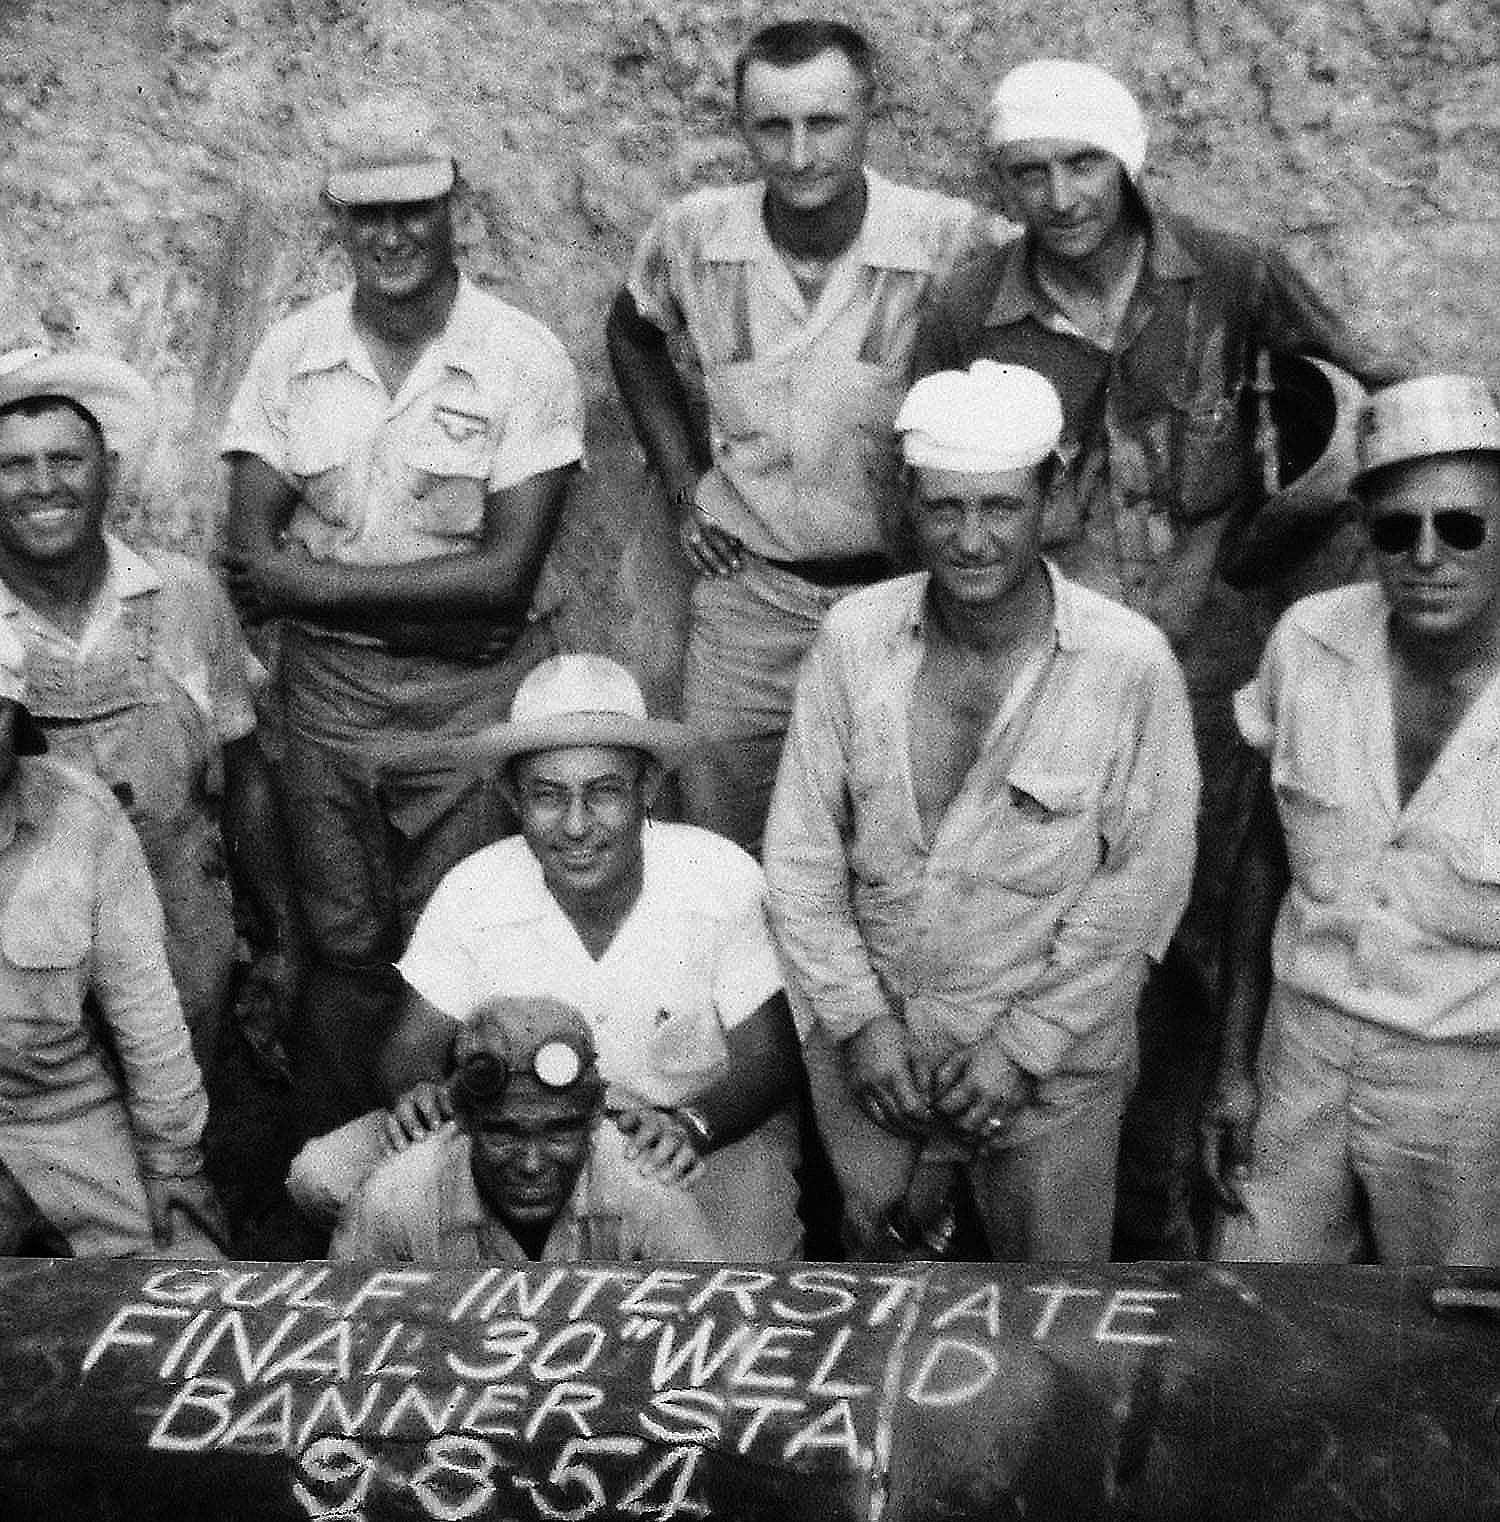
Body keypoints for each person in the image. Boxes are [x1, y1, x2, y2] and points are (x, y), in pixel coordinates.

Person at [914, 59, 1402, 1258]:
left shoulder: (1229, 273)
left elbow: (1368, 385)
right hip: (1059, 682)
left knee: (1195, 938)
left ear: (1128, 164)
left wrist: (1327, 516)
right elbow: (932, 504)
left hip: (1212, 677)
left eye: (1083, 164)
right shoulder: (970, 304)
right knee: (1066, 933)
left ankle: (1182, 1201)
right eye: (1028, 172)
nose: (1061, 194)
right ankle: (1060, 1210)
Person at [763, 361, 1198, 1260]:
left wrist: (1020, 1050)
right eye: (943, 508)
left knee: (1051, 1331)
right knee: (887, 1321)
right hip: (878, 1075)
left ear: (1053, 495)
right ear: (908, 505)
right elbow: (801, 857)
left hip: (1046, 1084)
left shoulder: (1128, 665)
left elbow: (1142, 890)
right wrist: (862, 1025)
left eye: (999, 507)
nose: (970, 540)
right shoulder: (853, 641)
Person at [220, 95, 584, 1137]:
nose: (388, 236)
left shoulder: (520, 355)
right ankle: (359, 1183)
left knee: (468, 937)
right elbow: (250, 559)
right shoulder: (293, 354)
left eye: (412, 210)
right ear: (335, 218)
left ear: (451, 205)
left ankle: (485, 1173)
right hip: (330, 703)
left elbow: (505, 586)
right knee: (344, 950)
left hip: (470, 700)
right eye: (363, 214)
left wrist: (316, 588)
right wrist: (433, 602)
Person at [291, 653, 803, 1259]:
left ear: (648, 788)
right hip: (518, 1130)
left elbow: (769, 1055)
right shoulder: (474, 887)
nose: (577, 825)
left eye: (604, 792)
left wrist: (693, 1125)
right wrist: (421, 1094)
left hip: (687, 1135)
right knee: (320, 1176)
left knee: (741, 1283)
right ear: (512, 797)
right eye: (549, 796)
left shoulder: (717, 874)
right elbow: (406, 1052)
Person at [607, 18, 977, 855]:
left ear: (869, 115)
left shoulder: (950, 242)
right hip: (751, 604)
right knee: (726, 843)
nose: (800, 154)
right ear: (742, 128)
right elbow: (632, 335)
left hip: (901, 603)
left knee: (895, 843)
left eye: (825, 123)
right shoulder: (695, 237)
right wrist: (681, 483)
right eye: (773, 126)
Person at [1201, 375, 1500, 1266]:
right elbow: (1262, 863)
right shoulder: (1309, 642)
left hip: (1468, 1087)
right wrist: (1231, 1070)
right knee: (1252, 1318)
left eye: (1463, 526)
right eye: (1395, 530)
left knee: (1456, 1353)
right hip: (1304, 1057)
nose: (1427, 555)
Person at [0, 348, 304, 1080]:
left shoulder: (185, 596)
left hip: (186, 948)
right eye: (13, 465)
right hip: (28, 970)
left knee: (180, 1143)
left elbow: (246, 772)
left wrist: (281, 935)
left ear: (107, 470)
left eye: (67, 460)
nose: (45, 485)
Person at [0, 624, 225, 1257]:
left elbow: (147, 1013)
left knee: (189, 1285)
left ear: (16, 720)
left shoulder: (81, 817)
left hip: (59, 1110)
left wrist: (174, 1162)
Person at [332, 996, 723, 1262]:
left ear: (593, 1120)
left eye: (559, 1133)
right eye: (505, 1134)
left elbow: (718, 1336)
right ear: (465, 1121)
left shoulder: (648, 1190)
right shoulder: (394, 1200)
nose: (532, 1164)